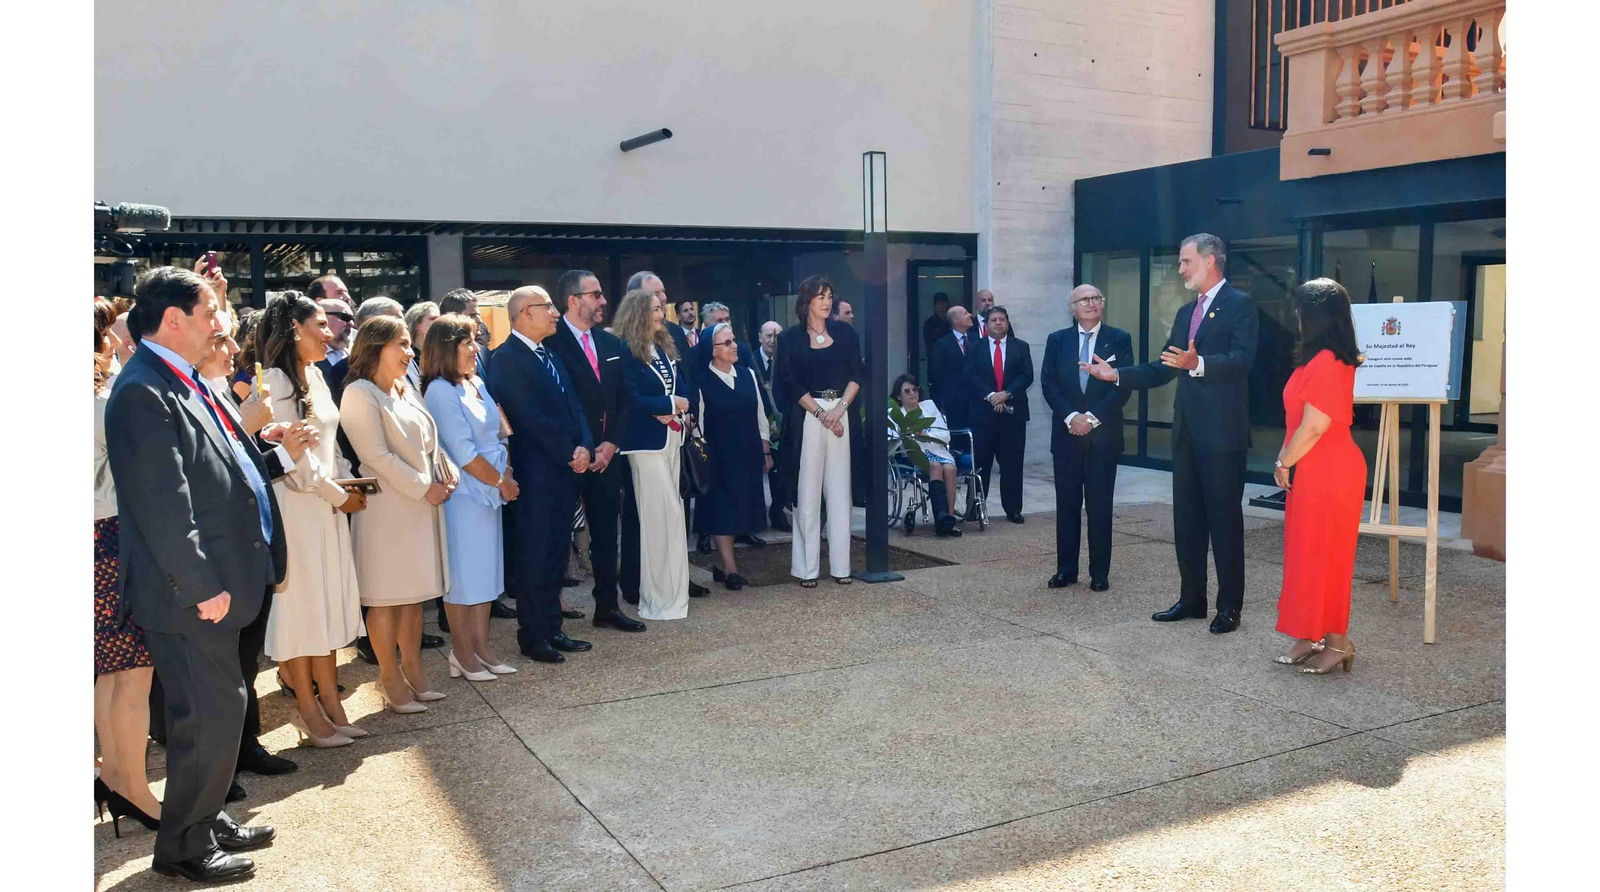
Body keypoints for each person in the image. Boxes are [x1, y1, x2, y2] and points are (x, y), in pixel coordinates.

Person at [106, 266, 281, 882]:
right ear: (173, 319)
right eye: (210, 313)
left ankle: (202, 818)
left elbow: (225, 468)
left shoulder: (178, 378)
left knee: (218, 711)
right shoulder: (143, 391)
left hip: (217, 583)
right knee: (205, 717)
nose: (220, 324)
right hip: (189, 593)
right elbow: (163, 506)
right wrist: (202, 586)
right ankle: (183, 848)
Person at [1083, 232, 1259, 634]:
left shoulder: (1241, 306)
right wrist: (1117, 375)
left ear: (1211, 260)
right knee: (1188, 522)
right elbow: (1165, 366)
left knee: (1225, 524)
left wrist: (1199, 364)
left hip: (1223, 436)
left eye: (1185, 261)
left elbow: (1242, 361)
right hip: (1187, 435)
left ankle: (1229, 606)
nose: (1180, 269)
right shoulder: (1186, 313)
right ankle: (1192, 598)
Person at [256, 293, 368, 744]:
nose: (330, 332)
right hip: (298, 507)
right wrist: (335, 493)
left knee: (324, 607)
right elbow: (293, 460)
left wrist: (350, 484)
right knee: (302, 611)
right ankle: (307, 710)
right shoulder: (279, 382)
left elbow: (330, 444)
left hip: (327, 506)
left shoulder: (317, 376)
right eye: (320, 325)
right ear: (295, 330)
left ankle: (333, 706)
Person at [339, 316, 457, 711]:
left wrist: (445, 467)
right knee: (386, 598)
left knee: (412, 597)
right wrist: (425, 488)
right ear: (375, 347)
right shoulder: (359, 393)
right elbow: (374, 456)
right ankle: (389, 678)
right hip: (387, 511)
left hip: (419, 507)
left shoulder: (407, 388)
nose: (410, 352)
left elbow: (430, 439)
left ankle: (415, 672)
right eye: (401, 345)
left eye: (409, 345)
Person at [488, 285, 597, 662]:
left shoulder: (550, 354)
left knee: (555, 555)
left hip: (565, 472)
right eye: (546, 306)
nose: (554, 312)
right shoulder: (505, 359)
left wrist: (585, 443)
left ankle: (553, 628)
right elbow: (527, 418)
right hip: (536, 477)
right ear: (523, 314)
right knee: (534, 556)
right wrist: (570, 452)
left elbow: (575, 406)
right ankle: (533, 636)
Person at [95, 297, 165, 837]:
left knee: (112, 674)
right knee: (133, 674)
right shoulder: (100, 402)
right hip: (107, 538)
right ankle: (131, 787)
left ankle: (120, 780)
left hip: (99, 537)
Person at [545, 270, 648, 633]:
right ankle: (549, 617)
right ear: (573, 300)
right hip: (568, 459)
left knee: (607, 534)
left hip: (607, 458)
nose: (604, 301)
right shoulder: (550, 343)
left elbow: (625, 399)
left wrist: (612, 444)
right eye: (596, 294)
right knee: (556, 536)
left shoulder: (610, 344)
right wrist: (582, 449)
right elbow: (554, 405)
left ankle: (608, 607)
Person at [1273, 279, 1367, 674]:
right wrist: (1288, 459)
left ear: (1315, 315)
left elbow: (1314, 426)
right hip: (1312, 469)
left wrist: (1283, 462)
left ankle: (1339, 642)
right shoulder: (1314, 359)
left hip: (1329, 471)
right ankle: (1310, 634)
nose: (1295, 316)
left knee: (1327, 558)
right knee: (1306, 556)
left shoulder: (1330, 361)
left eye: (1300, 309)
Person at [422, 314, 522, 681]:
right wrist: (501, 481)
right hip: (464, 496)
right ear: (447, 347)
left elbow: (501, 429)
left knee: (486, 576)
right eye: (467, 341)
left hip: (491, 491)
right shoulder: (439, 391)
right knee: (463, 578)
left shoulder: (475, 382)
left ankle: (482, 648)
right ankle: (462, 652)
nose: (475, 348)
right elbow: (462, 453)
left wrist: (506, 472)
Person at [615, 288, 706, 616]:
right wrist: (667, 405)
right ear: (638, 312)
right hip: (645, 445)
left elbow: (681, 385)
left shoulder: (664, 348)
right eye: (654, 309)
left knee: (673, 518)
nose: (660, 315)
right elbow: (629, 397)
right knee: (657, 520)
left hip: (671, 440)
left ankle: (674, 595)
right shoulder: (625, 350)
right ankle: (657, 601)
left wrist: (679, 406)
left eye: (660, 309)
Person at [775, 275, 865, 587]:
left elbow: (857, 373)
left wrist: (839, 411)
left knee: (841, 494)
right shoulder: (790, 338)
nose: (827, 302)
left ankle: (842, 568)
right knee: (807, 494)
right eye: (820, 296)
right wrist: (819, 413)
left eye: (829, 295)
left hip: (841, 415)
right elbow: (788, 382)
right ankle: (806, 569)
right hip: (808, 418)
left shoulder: (845, 333)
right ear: (806, 302)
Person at [1041, 285, 1132, 590]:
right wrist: (1072, 418)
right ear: (1072, 307)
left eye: (1096, 298)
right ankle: (1066, 570)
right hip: (1066, 437)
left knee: (1100, 506)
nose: (1091, 303)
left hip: (1103, 438)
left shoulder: (1119, 338)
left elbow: (1124, 386)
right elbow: (1049, 385)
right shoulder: (1057, 341)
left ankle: (1099, 573)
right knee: (1066, 506)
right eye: (1084, 299)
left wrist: (1091, 420)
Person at [696, 323, 773, 589]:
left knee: (742, 510)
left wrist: (765, 450)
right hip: (719, 458)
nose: (734, 346)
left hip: (749, 452)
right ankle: (730, 569)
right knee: (722, 512)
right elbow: (700, 426)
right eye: (726, 343)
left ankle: (722, 566)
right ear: (712, 350)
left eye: (734, 340)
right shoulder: (701, 381)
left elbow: (760, 415)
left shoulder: (748, 374)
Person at [968, 306, 1033, 525]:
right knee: (980, 464)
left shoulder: (1021, 347)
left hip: (1013, 416)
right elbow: (970, 376)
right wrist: (991, 396)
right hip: (983, 416)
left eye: (1002, 319)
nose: (998, 323)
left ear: (1007, 322)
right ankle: (975, 508)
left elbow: (1027, 376)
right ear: (986, 325)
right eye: (993, 320)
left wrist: (1006, 394)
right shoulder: (975, 347)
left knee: (1012, 465)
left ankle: (1013, 509)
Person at [888, 374, 962, 538]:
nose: (912, 393)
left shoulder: (929, 406)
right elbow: (893, 440)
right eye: (907, 391)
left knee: (949, 469)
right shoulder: (895, 413)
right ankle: (940, 515)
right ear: (899, 396)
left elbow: (945, 435)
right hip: (914, 454)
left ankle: (949, 519)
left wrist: (924, 433)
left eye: (915, 389)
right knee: (935, 466)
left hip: (938, 450)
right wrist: (909, 436)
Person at [754, 319, 791, 532]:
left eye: (777, 336)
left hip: (781, 426)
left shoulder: (787, 361)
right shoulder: (749, 359)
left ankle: (777, 512)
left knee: (781, 472)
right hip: (756, 424)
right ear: (760, 336)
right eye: (768, 335)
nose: (772, 340)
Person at [927, 305, 980, 436]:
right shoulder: (942, 344)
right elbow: (937, 374)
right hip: (954, 403)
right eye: (965, 313)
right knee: (958, 441)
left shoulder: (978, 340)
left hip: (977, 401)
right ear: (956, 321)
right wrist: (945, 400)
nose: (970, 315)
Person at [438, 288, 492, 384]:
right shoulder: (438, 357)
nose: (479, 320)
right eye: (472, 315)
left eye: (478, 314)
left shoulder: (484, 352)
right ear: (454, 318)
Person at [403, 300, 441, 391]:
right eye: (433, 319)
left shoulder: (442, 355)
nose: (439, 323)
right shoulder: (406, 356)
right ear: (416, 324)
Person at [922, 293, 952, 360]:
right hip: (935, 360)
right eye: (938, 303)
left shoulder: (953, 321)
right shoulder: (929, 323)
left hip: (952, 359)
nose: (941, 305)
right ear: (934, 305)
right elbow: (929, 345)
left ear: (947, 304)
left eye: (943, 302)